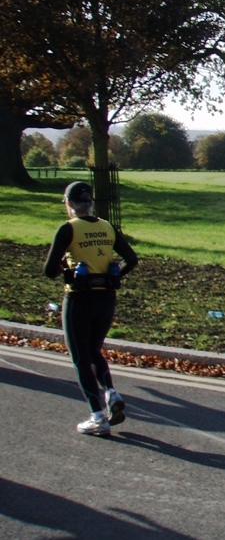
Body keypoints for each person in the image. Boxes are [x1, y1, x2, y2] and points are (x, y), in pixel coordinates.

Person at [44, 181, 139, 436]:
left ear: (70, 204)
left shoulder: (67, 229)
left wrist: (66, 269)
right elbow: (132, 259)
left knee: (79, 357)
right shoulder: (107, 227)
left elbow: (48, 271)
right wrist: (116, 276)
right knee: (93, 349)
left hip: (79, 298)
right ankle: (111, 392)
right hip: (106, 298)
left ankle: (97, 416)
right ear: (91, 203)